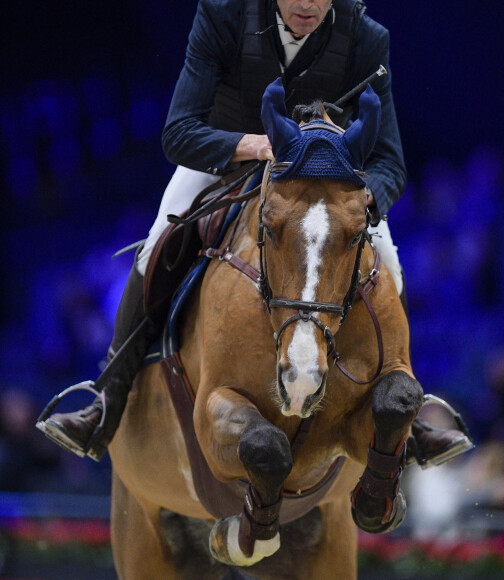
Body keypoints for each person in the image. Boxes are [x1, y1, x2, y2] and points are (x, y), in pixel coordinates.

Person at [37, 0, 473, 466]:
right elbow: (178, 132)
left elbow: (389, 162)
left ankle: (412, 421)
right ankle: (106, 401)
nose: (307, 4)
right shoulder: (221, 15)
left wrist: (362, 205)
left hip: (329, 183)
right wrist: (256, 145)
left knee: (390, 264)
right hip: (232, 157)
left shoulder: (367, 36)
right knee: (156, 245)